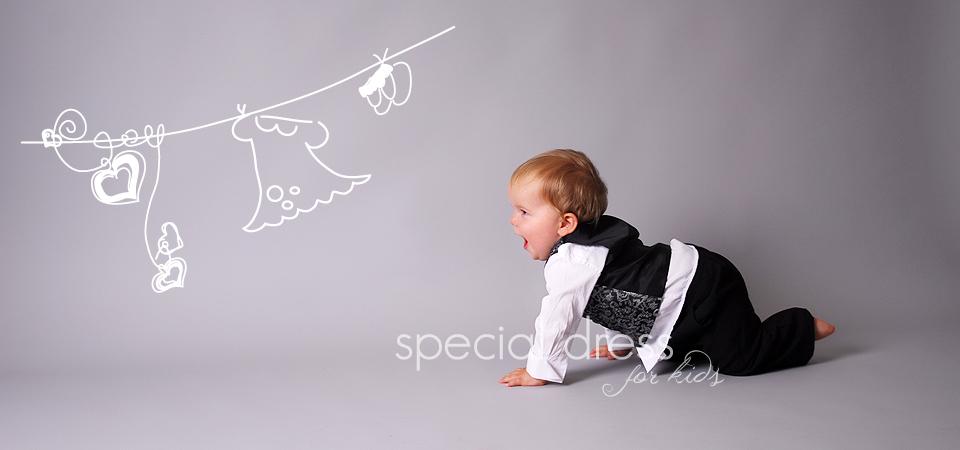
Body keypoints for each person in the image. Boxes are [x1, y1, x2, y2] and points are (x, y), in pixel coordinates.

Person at [499, 149, 836, 387]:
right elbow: (621, 292)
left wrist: (538, 370)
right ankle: (699, 338)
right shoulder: (584, 252)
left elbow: (558, 317)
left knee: (738, 358)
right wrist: (623, 343)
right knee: (682, 352)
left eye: (524, 212)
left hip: (705, 288)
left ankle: (801, 328)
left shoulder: (572, 261)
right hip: (688, 292)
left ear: (565, 224)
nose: (514, 221)